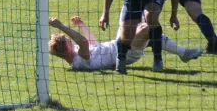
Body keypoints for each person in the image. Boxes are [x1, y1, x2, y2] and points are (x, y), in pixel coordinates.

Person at [49, 16, 202, 71]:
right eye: (69, 41)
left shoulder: (78, 53)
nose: (72, 41)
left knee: (135, 21)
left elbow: (92, 43)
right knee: (148, 28)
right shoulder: (79, 62)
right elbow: (82, 42)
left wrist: (81, 25)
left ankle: (183, 53)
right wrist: (61, 26)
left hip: (118, 44)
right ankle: (180, 54)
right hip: (124, 53)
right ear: (67, 48)